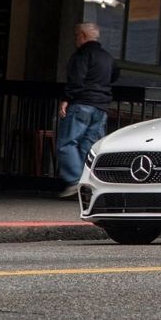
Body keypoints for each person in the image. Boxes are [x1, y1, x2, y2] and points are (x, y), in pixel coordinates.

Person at [56, 22, 119, 198]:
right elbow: (114, 75)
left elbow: (77, 79)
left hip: (82, 103)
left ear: (83, 35)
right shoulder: (107, 57)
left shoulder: (82, 54)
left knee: (67, 143)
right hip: (102, 107)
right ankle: (90, 183)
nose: (75, 39)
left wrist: (66, 99)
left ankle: (76, 180)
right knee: (89, 147)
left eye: (76, 35)